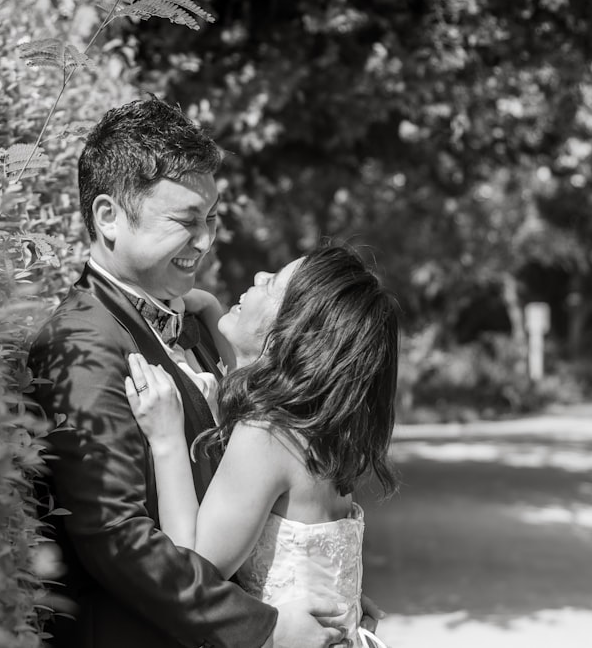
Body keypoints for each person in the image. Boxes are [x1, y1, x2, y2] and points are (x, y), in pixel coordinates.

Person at [26, 98, 351, 648]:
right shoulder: (80, 343)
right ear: (108, 217)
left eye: (212, 219)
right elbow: (117, 537)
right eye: (185, 221)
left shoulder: (197, 324)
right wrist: (264, 631)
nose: (205, 241)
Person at [125, 244, 399, 648]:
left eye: (270, 285)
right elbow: (257, 377)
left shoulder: (266, 435)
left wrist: (166, 439)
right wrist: (216, 312)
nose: (255, 279)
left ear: (291, 336)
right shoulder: (321, 430)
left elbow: (194, 567)